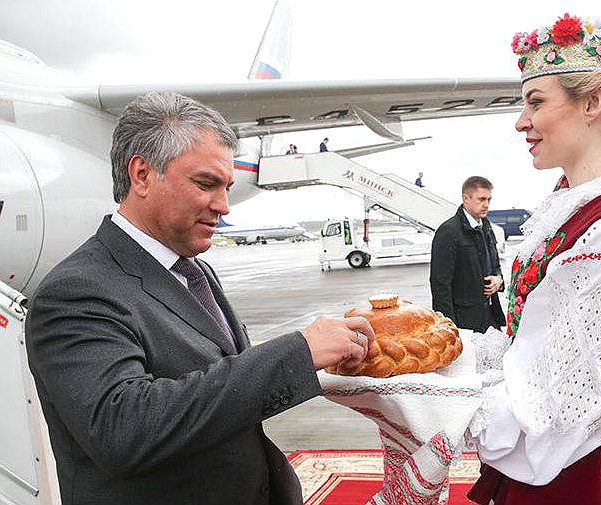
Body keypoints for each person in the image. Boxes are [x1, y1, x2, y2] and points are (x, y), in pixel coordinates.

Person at [25, 91, 375, 505]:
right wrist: (296, 353)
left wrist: (324, 361)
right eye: (205, 184)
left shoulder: (193, 271)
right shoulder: (75, 293)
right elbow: (125, 430)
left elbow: (223, 391)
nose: (223, 206)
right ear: (141, 175)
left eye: (226, 187)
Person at [465, 14, 601, 504]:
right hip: (563, 449)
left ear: (593, 103)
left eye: (535, 102)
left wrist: (435, 399)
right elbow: (533, 345)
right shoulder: (573, 206)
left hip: (570, 463)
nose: (521, 122)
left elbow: (553, 404)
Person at [430, 176, 504, 333]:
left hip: (490, 316)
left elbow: (495, 264)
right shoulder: (448, 232)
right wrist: (449, 329)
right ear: (466, 198)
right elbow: (440, 284)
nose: (486, 205)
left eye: (489, 200)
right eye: (481, 199)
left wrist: (498, 279)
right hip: (464, 322)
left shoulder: (486, 226)